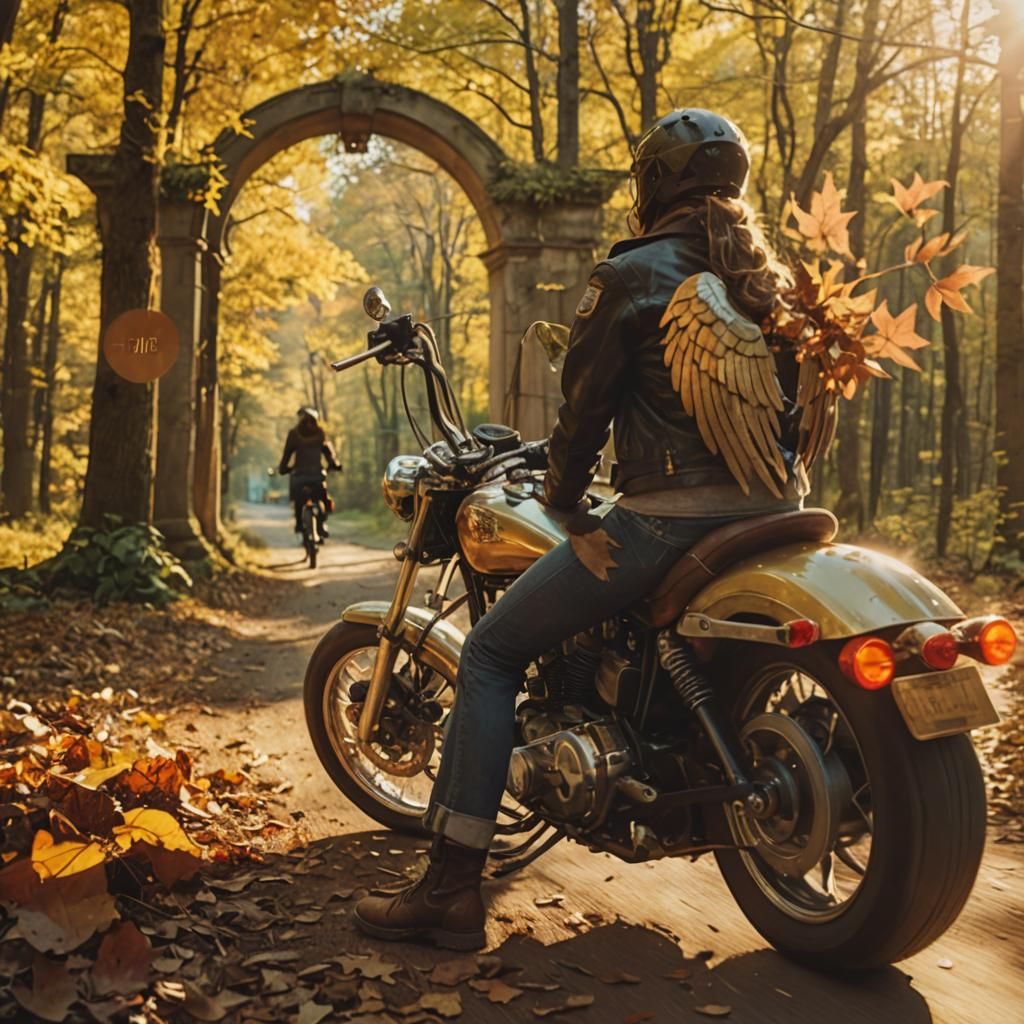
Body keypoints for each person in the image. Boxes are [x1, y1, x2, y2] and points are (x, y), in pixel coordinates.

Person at [353, 109, 806, 951]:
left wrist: (564, 504)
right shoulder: (767, 280)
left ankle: (449, 888)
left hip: (670, 521)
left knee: (489, 650)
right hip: (777, 513)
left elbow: (584, 411)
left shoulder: (633, 274)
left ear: (655, 182)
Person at [278, 407, 342, 538]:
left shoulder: (294, 434)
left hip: (300, 475)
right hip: (317, 476)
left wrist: (283, 468)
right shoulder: (319, 433)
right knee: (322, 498)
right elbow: (328, 453)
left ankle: (299, 523)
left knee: (298, 499)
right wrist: (334, 465)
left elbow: (287, 454)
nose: (309, 424)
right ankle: (322, 524)